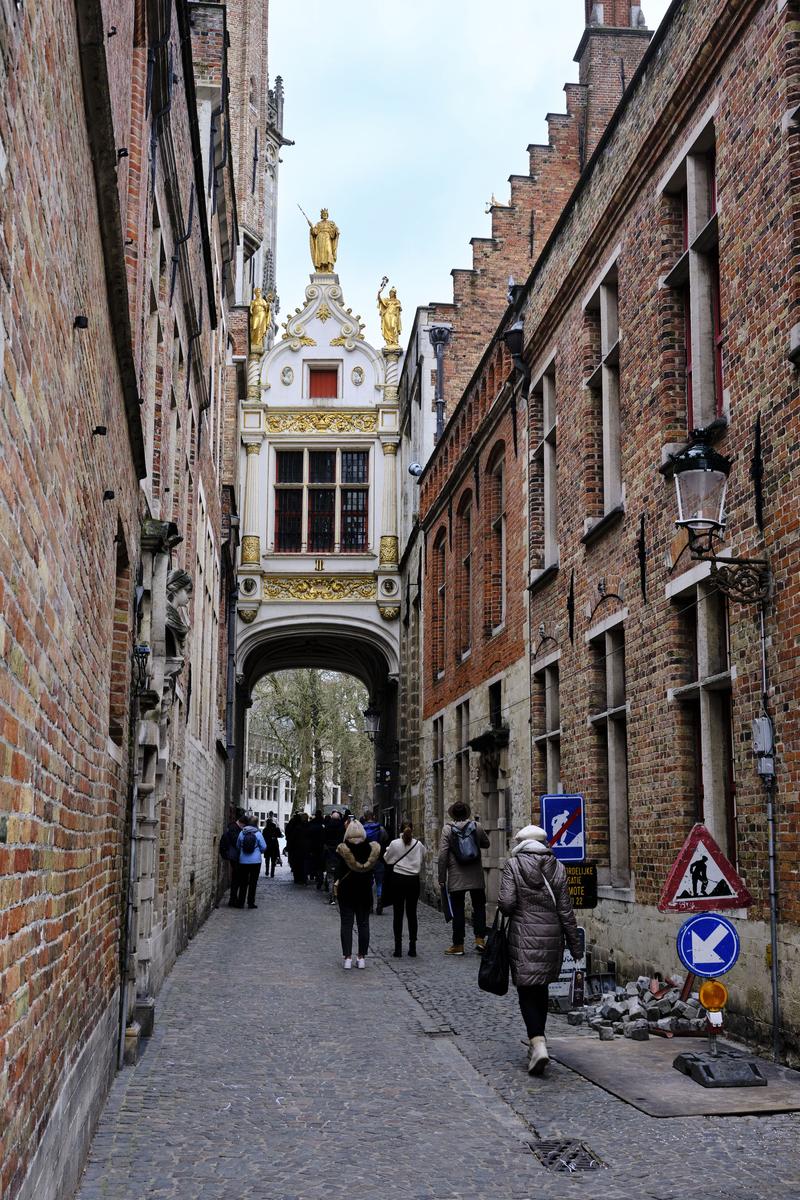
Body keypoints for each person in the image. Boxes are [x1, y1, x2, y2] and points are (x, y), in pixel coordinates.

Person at [498, 824, 582, 1075]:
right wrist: (576, 947)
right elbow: (566, 909)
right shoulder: (558, 867)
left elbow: (507, 903)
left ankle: (537, 1042)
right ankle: (539, 1041)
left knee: (526, 989)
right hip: (551, 936)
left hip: (523, 935)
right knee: (542, 987)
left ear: (521, 842)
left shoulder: (513, 865)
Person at [437, 801, 490, 956]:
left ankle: (458, 944)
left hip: (456, 875)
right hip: (475, 874)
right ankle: (480, 939)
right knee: (479, 907)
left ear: (453, 814)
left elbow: (443, 855)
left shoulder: (447, 830)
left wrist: (442, 877)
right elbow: (486, 843)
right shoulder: (477, 826)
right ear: (467, 813)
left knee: (458, 910)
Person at [334, 819, 380, 969]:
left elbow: (338, 872)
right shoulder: (370, 849)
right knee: (363, 924)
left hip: (346, 891)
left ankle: (347, 957)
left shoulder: (343, 849)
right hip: (364, 891)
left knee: (346, 924)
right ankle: (361, 957)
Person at [384, 821, 426, 958]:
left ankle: (398, 948)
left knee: (398, 913)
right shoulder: (418, 845)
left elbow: (387, 859)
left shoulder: (395, 843)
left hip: (398, 879)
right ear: (412, 830)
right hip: (413, 880)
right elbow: (423, 858)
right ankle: (412, 947)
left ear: (399, 829)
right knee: (412, 914)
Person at [233, 815, 267, 909]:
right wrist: (258, 851)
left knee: (243, 882)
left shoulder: (242, 833)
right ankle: (251, 903)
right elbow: (264, 847)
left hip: (243, 861)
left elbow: (238, 845)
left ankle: (240, 903)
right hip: (256, 861)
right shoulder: (258, 833)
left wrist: (243, 851)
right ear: (256, 823)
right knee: (253, 882)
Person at [361, 810, 390, 912]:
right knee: (379, 882)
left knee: (368, 883)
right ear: (373, 817)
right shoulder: (380, 828)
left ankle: (369, 905)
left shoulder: (361, 829)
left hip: (367, 858)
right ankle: (380, 901)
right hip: (378, 857)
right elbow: (385, 839)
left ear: (364, 817)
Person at [219, 809, 245, 906]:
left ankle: (233, 898)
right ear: (241, 823)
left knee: (236, 878)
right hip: (234, 856)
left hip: (234, 856)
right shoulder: (234, 828)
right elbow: (236, 842)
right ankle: (233, 899)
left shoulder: (233, 827)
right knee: (236, 878)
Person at [323, 810, 344, 902]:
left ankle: (332, 895)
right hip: (339, 853)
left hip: (329, 853)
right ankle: (338, 893)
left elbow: (323, 839)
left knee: (330, 875)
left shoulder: (327, 827)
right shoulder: (342, 827)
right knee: (339, 875)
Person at [307, 810, 326, 889]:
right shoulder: (323, 823)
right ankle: (319, 877)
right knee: (320, 862)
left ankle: (314, 875)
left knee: (314, 861)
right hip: (321, 846)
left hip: (313, 846)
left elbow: (309, 835)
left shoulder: (312, 823)